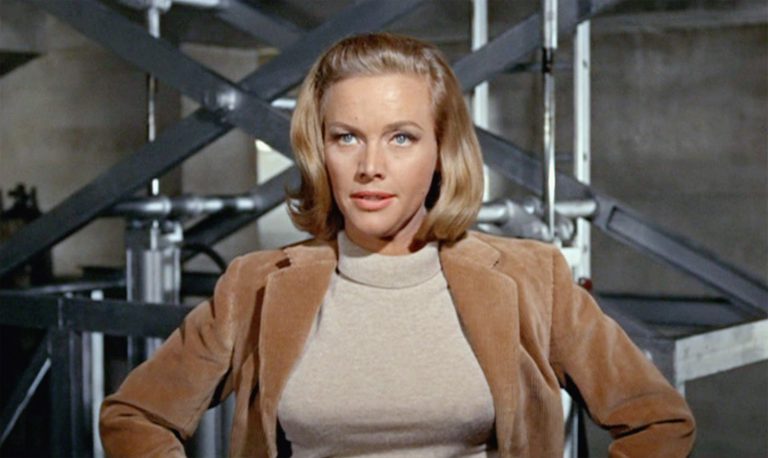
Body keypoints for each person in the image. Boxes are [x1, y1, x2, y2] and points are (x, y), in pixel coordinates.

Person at [100, 33, 695, 457]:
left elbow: (659, 422)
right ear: (320, 151)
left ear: (441, 151)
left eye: (401, 138)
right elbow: (133, 416)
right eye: (346, 137)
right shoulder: (255, 285)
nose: (370, 166)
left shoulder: (533, 278)